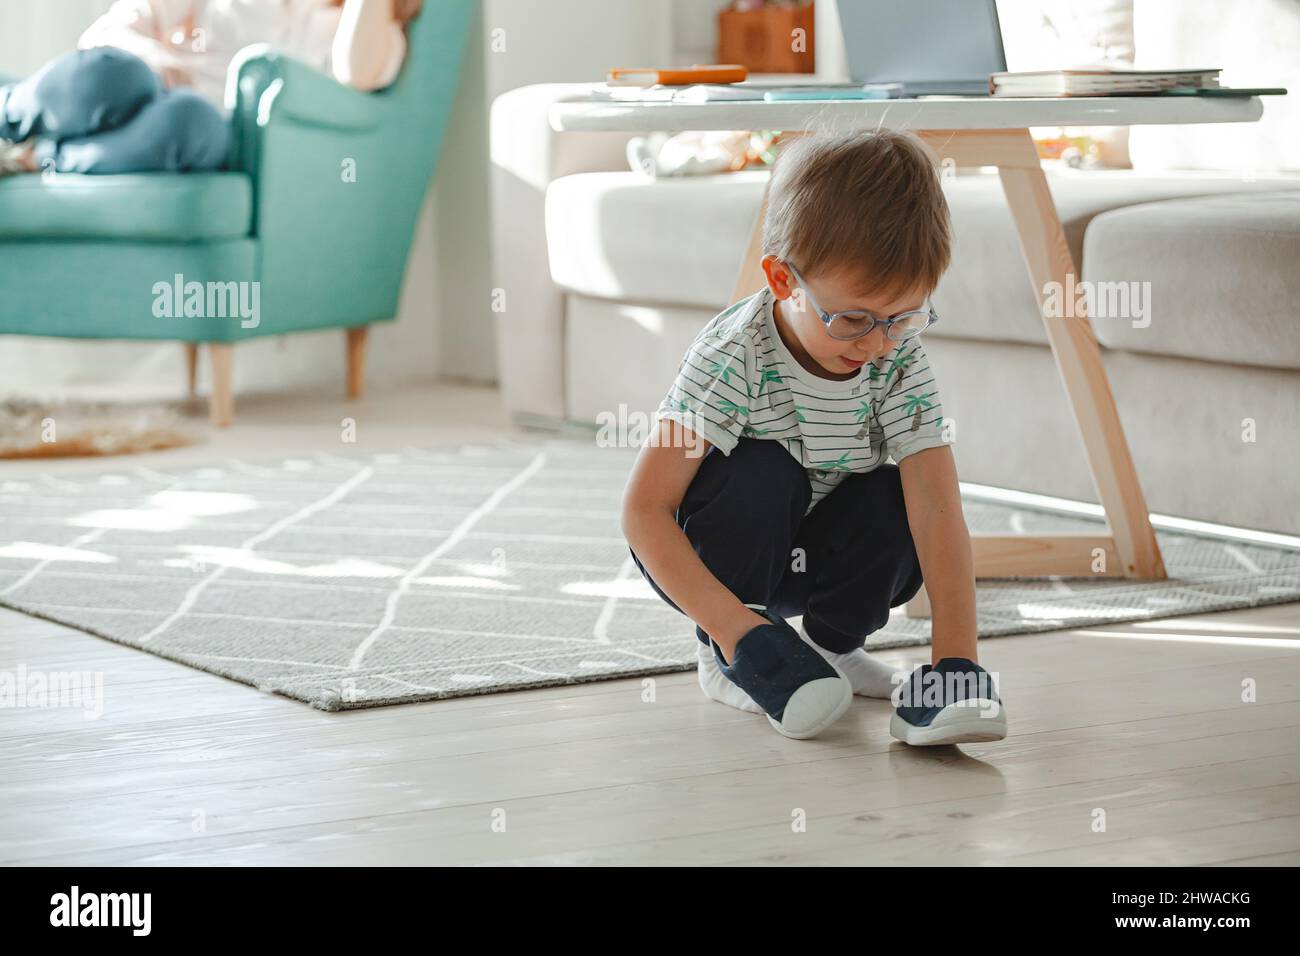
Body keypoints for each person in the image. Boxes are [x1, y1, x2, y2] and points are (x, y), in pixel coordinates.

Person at [621, 129, 1007, 744]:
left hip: (823, 557)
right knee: (763, 469)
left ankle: (833, 650)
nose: (877, 342)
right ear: (782, 280)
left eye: (903, 316)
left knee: (899, 493)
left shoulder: (897, 359)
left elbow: (937, 509)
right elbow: (645, 511)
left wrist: (954, 662)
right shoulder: (734, 355)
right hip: (729, 574)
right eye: (852, 319)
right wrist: (738, 634)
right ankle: (729, 656)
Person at [0, 0, 420, 176]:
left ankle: (41, 156)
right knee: (120, 73)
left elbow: (358, 73)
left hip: (198, 130)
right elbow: (107, 33)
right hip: (133, 86)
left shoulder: (361, 30)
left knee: (191, 121)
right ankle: (8, 114)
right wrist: (158, 63)